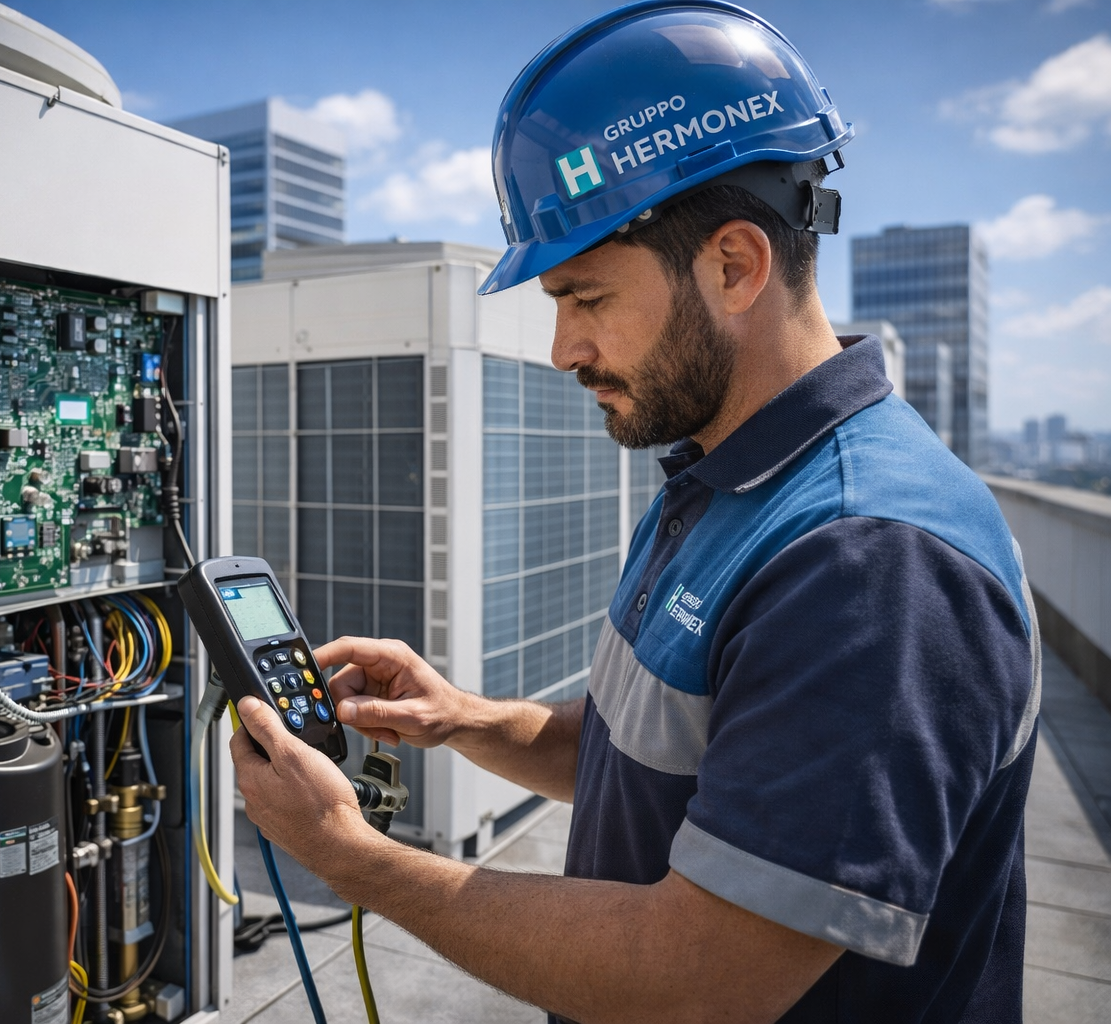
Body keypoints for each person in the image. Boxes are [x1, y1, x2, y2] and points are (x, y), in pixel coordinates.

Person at [229, 3, 1039, 1021]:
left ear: (735, 265)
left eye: (587, 297)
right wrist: (469, 720)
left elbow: (700, 975)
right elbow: (670, 760)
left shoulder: (869, 563)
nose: (564, 347)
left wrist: (354, 857)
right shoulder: (724, 480)